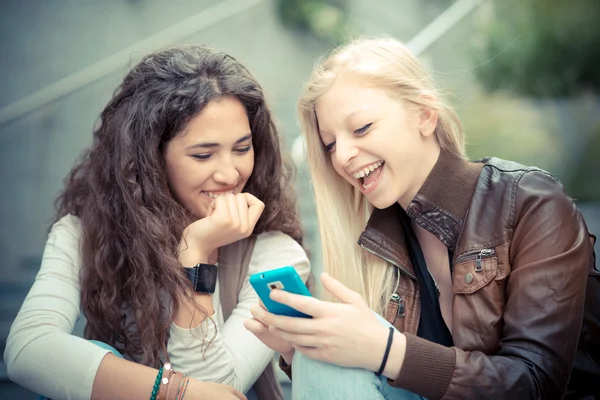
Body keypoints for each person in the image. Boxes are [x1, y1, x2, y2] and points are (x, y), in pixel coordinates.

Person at [245, 37, 599, 399]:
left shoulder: (531, 204)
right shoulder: (376, 238)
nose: (343, 157)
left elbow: (534, 383)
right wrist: (295, 350)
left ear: (425, 116)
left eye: (362, 128)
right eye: (331, 144)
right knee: (321, 362)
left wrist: (388, 351)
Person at [4, 44, 310, 400]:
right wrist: (171, 391)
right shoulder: (82, 234)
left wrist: (196, 256)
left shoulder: (276, 255)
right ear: (149, 161)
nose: (230, 173)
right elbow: (28, 349)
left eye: (242, 148)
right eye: (203, 154)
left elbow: (219, 390)